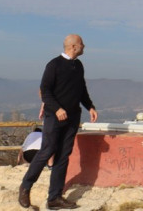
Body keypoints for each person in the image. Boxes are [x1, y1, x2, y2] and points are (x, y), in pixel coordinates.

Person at [19, 34, 98, 211]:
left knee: (63, 156)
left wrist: (90, 106)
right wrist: (57, 109)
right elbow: (45, 90)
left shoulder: (78, 65)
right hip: (54, 117)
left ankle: (54, 197)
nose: (84, 46)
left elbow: (81, 89)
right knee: (47, 151)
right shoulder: (54, 64)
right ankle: (25, 187)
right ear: (74, 46)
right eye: (81, 44)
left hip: (72, 118)